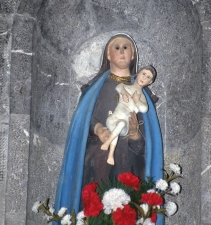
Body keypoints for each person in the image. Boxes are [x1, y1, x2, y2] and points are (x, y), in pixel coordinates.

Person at [53, 33, 163, 225]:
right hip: (97, 162)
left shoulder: (143, 95)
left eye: (126, 47)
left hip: (129, 167)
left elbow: (147, 147)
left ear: (133, 55)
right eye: (116, 47)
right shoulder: (94, 90)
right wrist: (97, 129)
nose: (121, 51)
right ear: (108, 55)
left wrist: (135, 134)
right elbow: (83, 123)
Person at [101, 66, 157, 166]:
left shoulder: (142, 97)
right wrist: (123, 93)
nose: (144, 78)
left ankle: (109, 151)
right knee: (119, 125)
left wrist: (136, 100)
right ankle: (109, 153)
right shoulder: (125, 87)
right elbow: (119, 87)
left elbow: (144, 109)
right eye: (143, 74)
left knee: (121, 124)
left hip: (123, 127)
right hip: (113, 119)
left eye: (148, 77)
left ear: (150, 82)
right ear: (138, 73)